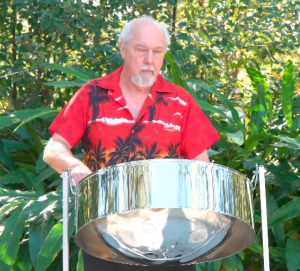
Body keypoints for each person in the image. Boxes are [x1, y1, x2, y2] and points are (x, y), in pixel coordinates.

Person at [44, 15, 220, 271]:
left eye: (157, 51)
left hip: (170, 237)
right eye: (141, 50)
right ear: (123, 49)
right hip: (105, 234)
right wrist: (75, 168)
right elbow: (53, 149)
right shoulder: (91, 94)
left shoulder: (181, 101)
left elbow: (201, 168)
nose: (150, 60)